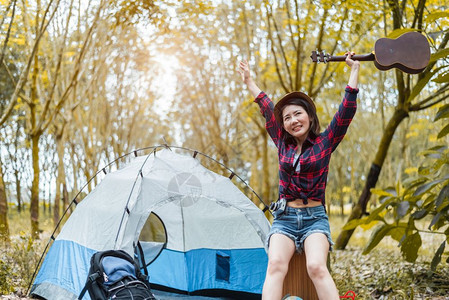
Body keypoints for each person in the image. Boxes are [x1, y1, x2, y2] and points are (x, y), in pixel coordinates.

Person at [238, 52, 360, 300]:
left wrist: (354, 70)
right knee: (275, 267)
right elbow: (266, 106)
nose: (293, 120)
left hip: (315, 218)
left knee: (316, 267)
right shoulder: (282, 143)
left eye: (298, 114)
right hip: (285, 218)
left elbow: (345, 112)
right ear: (282, 125)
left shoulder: (325, 141)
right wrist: (249, 81)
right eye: (287, 118)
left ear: (309, 116)